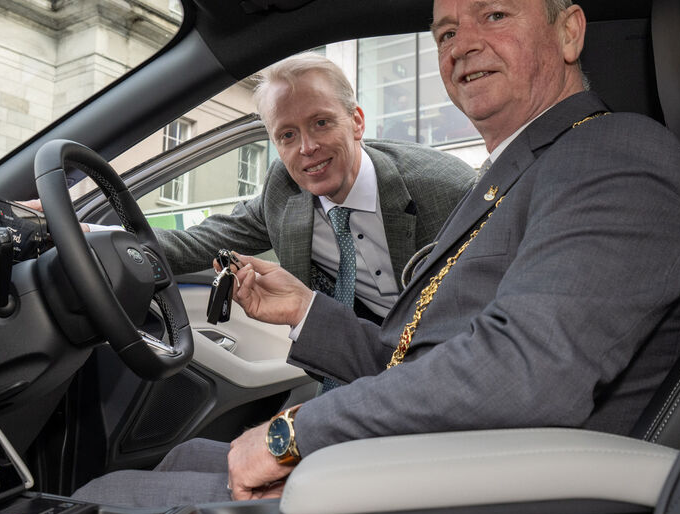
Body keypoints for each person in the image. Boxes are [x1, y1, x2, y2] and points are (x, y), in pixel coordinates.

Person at [72, 0, 680, 507]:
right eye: (444, 34)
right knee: (184, 457)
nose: (463, 45)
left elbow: (520, 375)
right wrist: (303, 312)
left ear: (569, 33)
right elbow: (410, 350)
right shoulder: (524, 170)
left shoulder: (615, 158)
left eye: (494, 16)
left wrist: (294, 433)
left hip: (484, 492)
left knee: (104, 499)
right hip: (442, 451)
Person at [147, 53, 477, 321]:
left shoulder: (447, 190)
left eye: (321, 123)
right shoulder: (284, 190)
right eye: (287, 135)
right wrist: (104, 236)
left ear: (357, 121)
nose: (307, 147)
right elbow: (197, 243)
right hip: (356, 357)